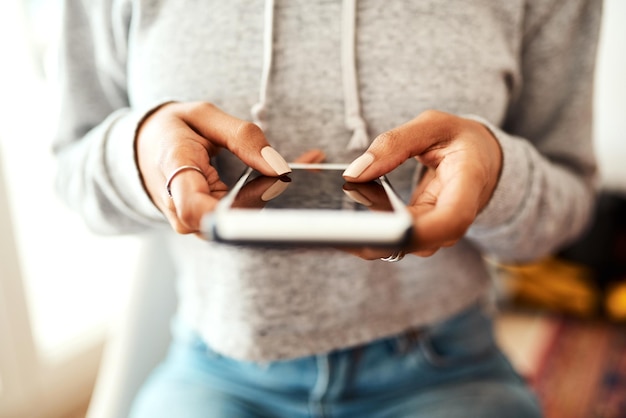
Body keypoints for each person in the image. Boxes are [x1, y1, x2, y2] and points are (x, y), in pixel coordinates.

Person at [53, 1, 602, 417]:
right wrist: (142, 147)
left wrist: (497, 172)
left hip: (444, 367)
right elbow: (73, 170)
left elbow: (568, 205)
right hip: (218, 368)